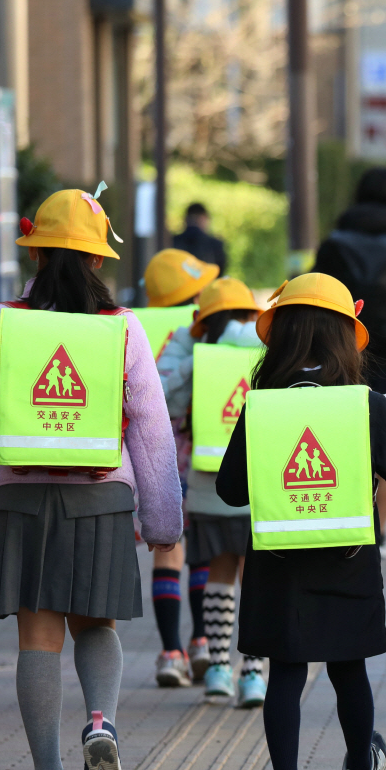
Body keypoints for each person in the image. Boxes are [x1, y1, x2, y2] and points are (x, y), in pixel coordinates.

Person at [0, 188, 183, 770]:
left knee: (37, 637)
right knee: (94, 624)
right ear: (97, 261)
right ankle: (100, 722)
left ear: (38, 251)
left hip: (21, 499)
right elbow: (151, 431)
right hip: (103, 499)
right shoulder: (123, 329)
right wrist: (162, 521)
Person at [215, 273, 386, 770]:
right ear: (344, 337)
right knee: (346, 666)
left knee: (286, 670)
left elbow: (230, 488)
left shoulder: (262, 405)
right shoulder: (362, 404)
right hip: (347, 559)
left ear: (281, 337)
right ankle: (361, 764)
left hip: (279, 559)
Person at [311, 167, 386, 558]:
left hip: (343, 351)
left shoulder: (336, 241)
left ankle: (351, 520)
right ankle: (378, 530)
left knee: (344, 435)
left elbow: (317, 291)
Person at [156, 277, 266, 705]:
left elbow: (169, 404)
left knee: (219, 572)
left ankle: (219, 668)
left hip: (207, 480)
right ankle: (253, 673)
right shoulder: (262, 349)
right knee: (255, 577)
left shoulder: (194, 352)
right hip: (259, 479)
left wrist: (195, 363)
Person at [142, 248, 220, 687]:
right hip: (202, 447)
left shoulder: (136, 326)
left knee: (168, 549)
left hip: (159, 449)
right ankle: (201, 643)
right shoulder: (202, 331)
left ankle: (170, 650)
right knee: (203, 550)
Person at [173, 202, 228, 274]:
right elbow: (219, 271)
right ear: (204, 218)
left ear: (186, 219)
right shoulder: (215, 244)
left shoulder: (174, 240)